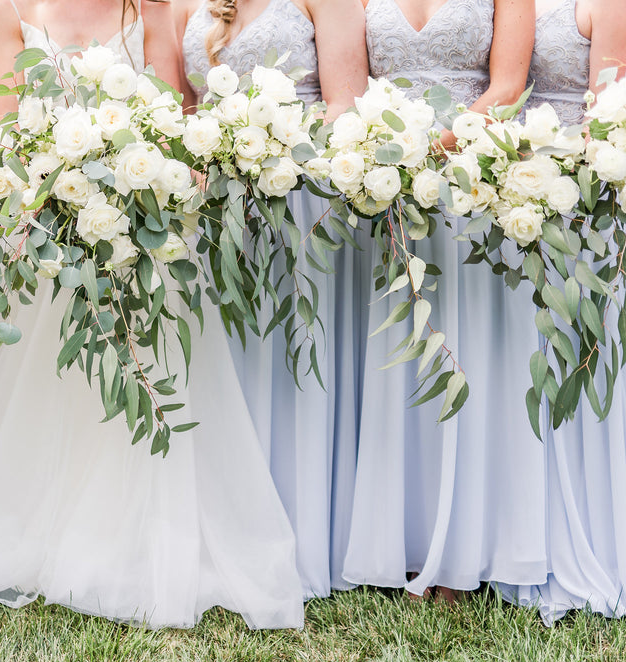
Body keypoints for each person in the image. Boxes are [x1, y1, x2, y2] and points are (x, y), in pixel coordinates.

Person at [0, 0, 306, 630]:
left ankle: (133, 533)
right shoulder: (15, 8)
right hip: (50, 230)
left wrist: (131, 184)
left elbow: (170, 119)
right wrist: (57, 180)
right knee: (48, 387)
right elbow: (4, 124)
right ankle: (40, 526)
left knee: (141, 375)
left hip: (140, 229)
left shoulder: (151, 8)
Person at [342, 0, 545, 601]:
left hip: (473, 184)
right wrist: (385, 156)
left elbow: (509, 86)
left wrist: (433, 150)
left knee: (468, 357)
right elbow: (351, 91)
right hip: (390, 193)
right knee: (402, 361)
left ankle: (468, 544)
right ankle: (404, 538)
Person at [176, 0, 370, 599]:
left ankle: (300, 532)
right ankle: (220, 527)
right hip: (210, 211)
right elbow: (184, 108)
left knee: (292, 360)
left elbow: (345, 104)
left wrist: (272, 157)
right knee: (222, 363)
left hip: (298, 200)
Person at [497, 0, 626, 623]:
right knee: (529, 365)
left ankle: (584, 533)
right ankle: (522, 532)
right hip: (515, 194)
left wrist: (552, 169)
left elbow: (607, 106)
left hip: (582, 200)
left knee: (576, 358)